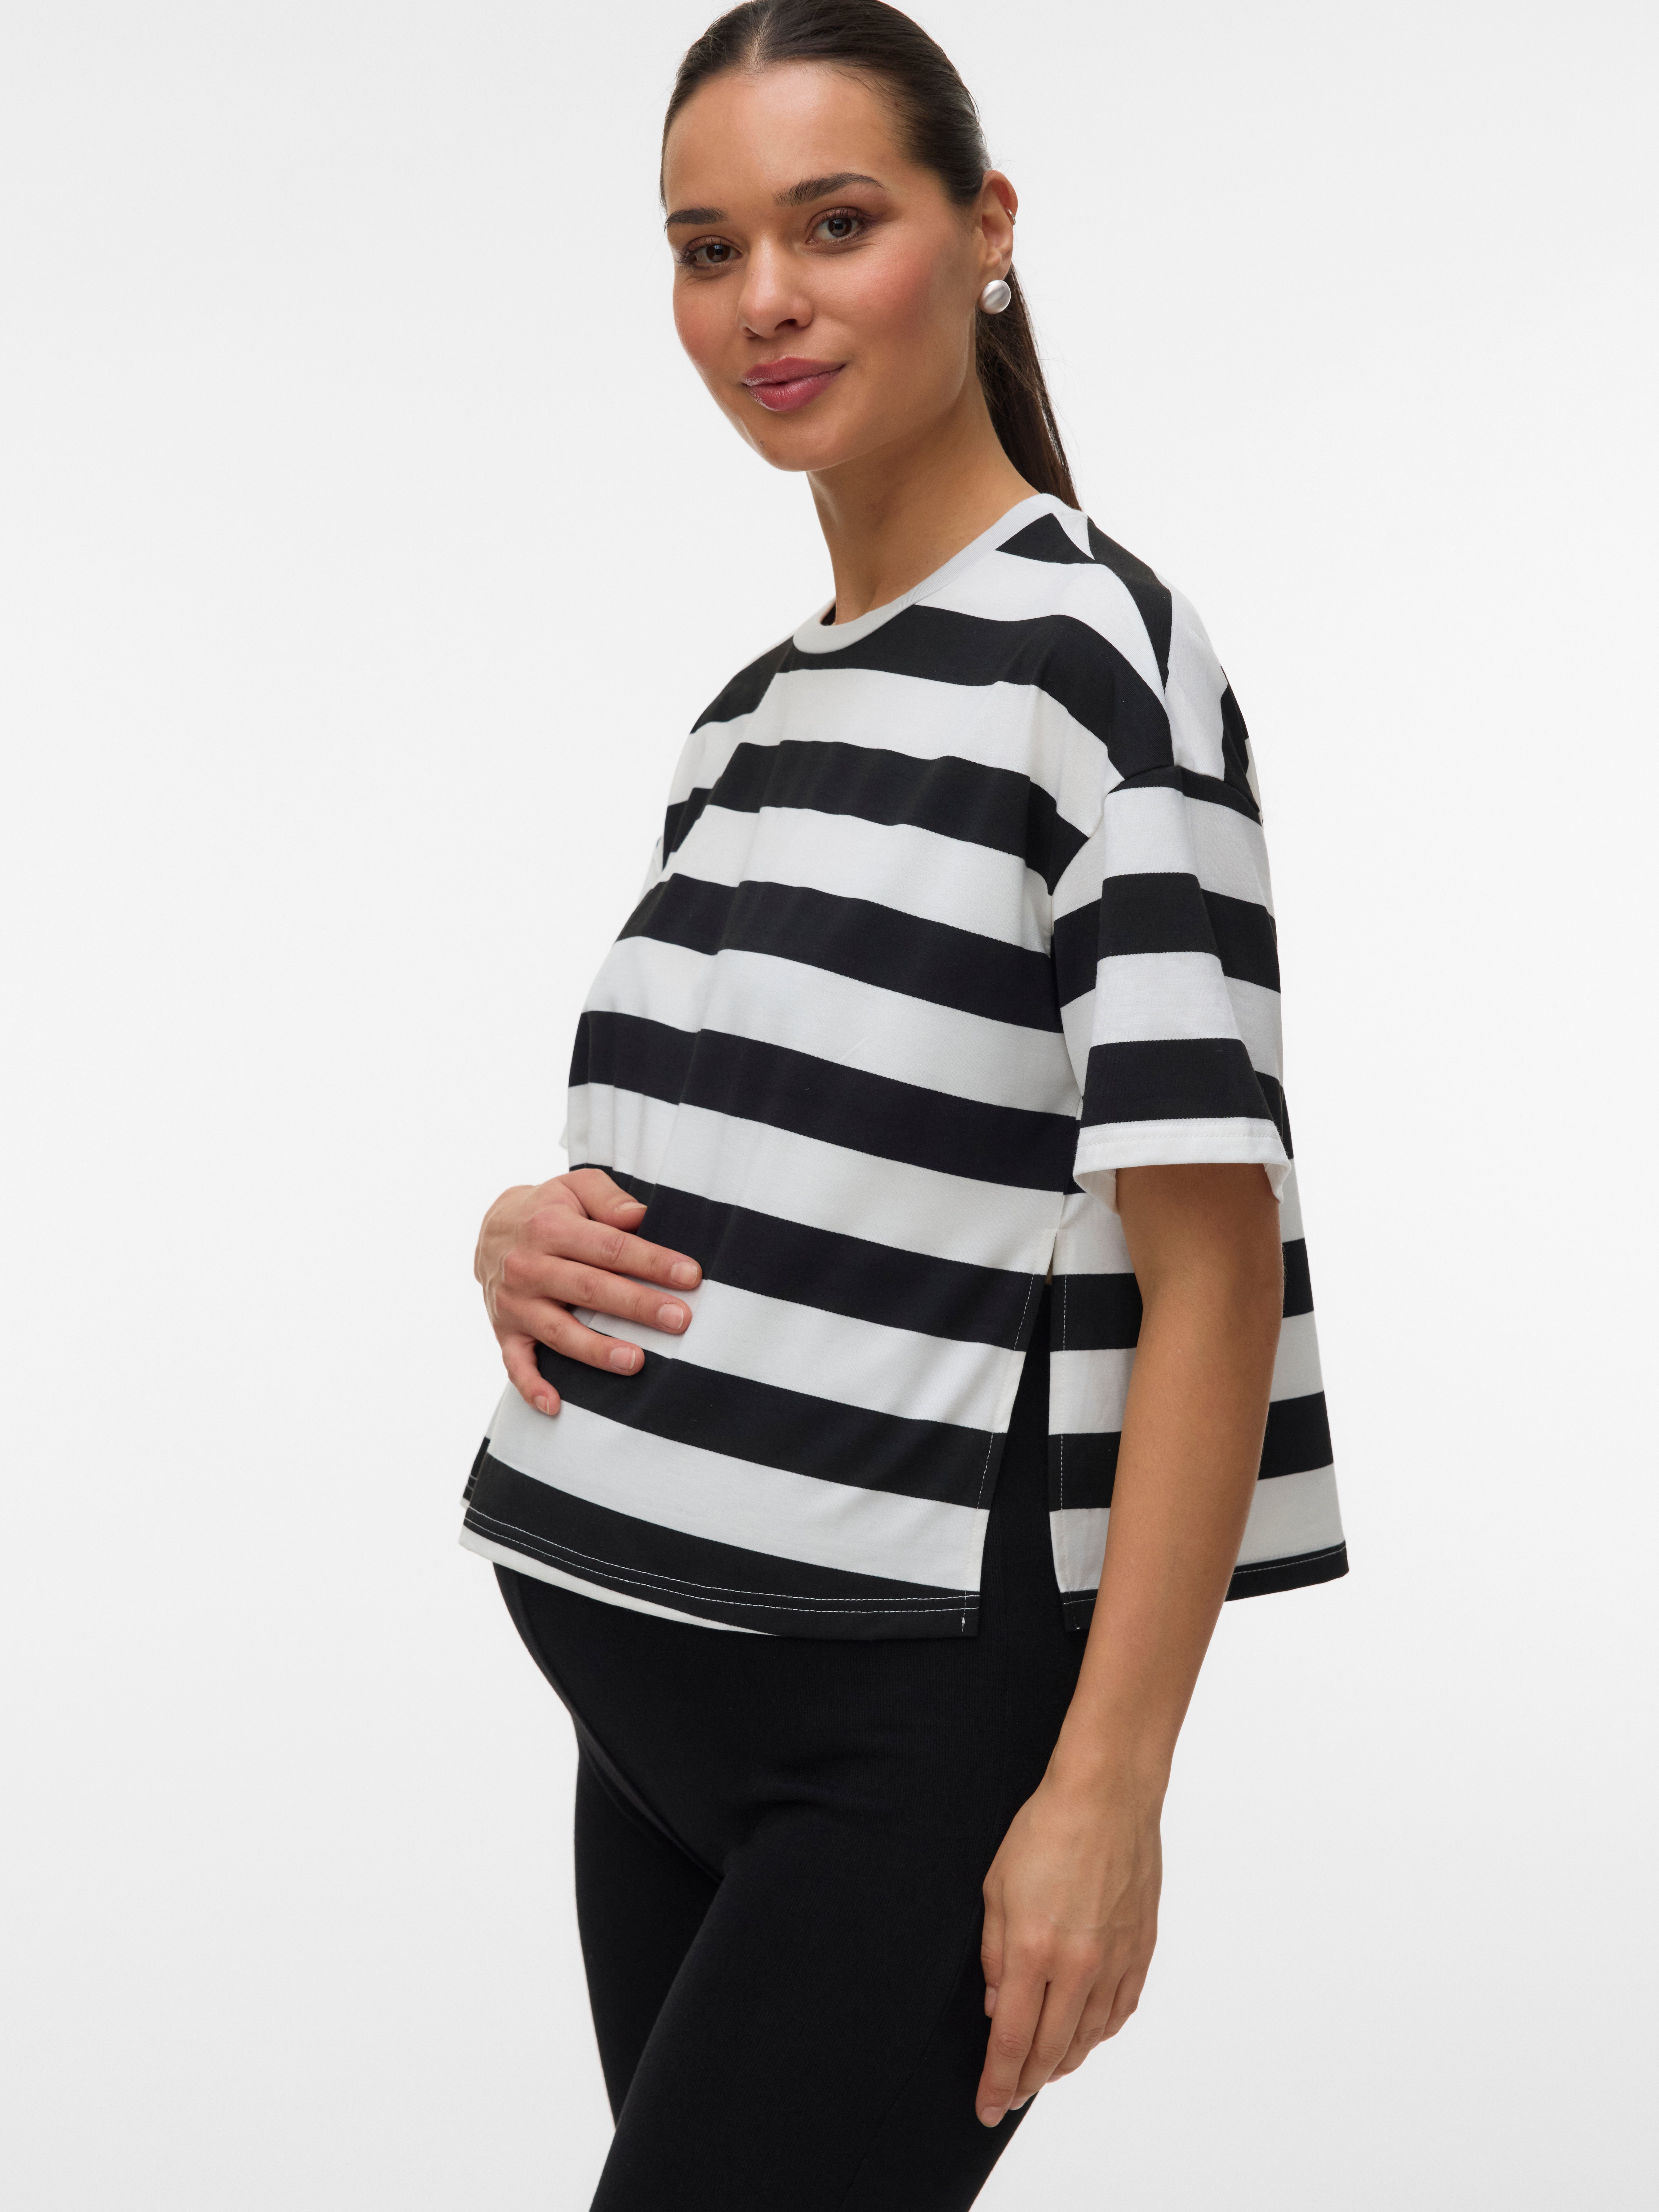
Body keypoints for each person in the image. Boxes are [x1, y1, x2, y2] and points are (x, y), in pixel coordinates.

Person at [464, 5, 1346, 2205]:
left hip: (897, 1728)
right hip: (640, 1694)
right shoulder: (748, 717)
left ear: (986, 229)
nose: (762, 298)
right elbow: (802, 1143)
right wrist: (528, 1236)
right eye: (708, 248)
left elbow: (1210, 1263)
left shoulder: (1095, 668)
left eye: (832, 223)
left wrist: (1105, 1790)